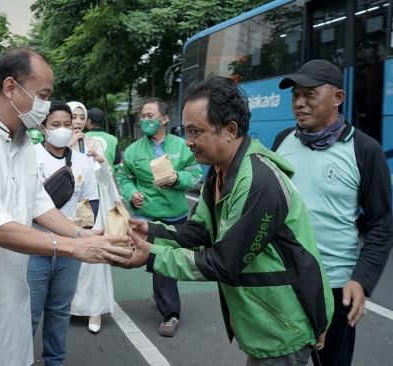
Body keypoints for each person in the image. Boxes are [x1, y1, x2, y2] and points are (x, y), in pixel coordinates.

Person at [0, 47, 132, 366]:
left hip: (8, 292)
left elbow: (37, 203)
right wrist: (73, 249)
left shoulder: (20, 141)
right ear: (10, 87)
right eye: (43, 95)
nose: (45, 105)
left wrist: (85, 236)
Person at [123, 76, 334, 365]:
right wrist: (151, 230)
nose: (188, 142)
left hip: (283, 329)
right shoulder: (220, 172)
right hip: (263, 324)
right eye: (185, 131)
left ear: (230, 130)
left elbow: (223, 262)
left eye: (196, 132)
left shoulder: (259, 182)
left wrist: (150, 257)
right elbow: (199, 231)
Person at [273, 59, 393, 366]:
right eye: (295, 95)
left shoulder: (365, 150)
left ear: (338, 98)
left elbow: (382, 222)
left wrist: (361, 280)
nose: (299, 103)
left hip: (335, 287)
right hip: (284, 281)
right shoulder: (282, 141)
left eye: (309, 94)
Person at [116, 97, 202, 337]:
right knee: (160, 265)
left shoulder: (182, 146)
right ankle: (169, 310)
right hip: (147, 220)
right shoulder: (133, 150)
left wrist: (178, 179)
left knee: (168, 265)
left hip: (176, 218)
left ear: (165, 119)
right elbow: (123, 176)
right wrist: (131, 193)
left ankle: (167, 306)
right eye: (143, 116)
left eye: (150, 116)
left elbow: (195, 173)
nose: (145, 120)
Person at [28, 100, 99, 366]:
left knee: (59, 311)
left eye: (67, 125)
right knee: (29, 314)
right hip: (35, 247)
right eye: (55, 124)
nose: (62, 129)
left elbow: (91, 202)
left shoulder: (82, 162)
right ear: (43, 127)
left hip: (70, 250)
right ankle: (19, 359)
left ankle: (55, 361)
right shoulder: (30, 156)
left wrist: (81, 229)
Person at [67, 100, 118, 333]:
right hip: (66, 210)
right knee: (69, 259)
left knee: (94, 262)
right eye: (72, 117)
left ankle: (95, 309)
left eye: (80, 117)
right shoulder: (56, 144)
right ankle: (70, 306)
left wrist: (101, 161)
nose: (77, 121)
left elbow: (106, 178)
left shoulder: (95, 143)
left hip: (93, 209)